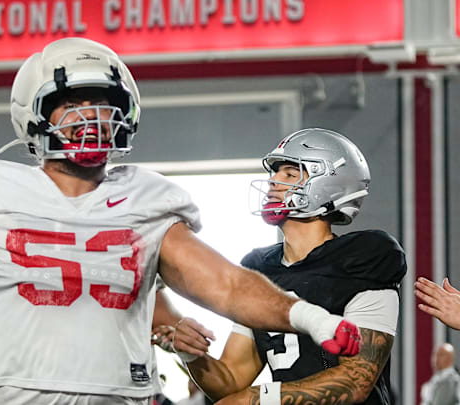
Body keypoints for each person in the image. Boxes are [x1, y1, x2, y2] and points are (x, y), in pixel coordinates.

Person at [0, 38, 361, 405]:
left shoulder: (146, 198)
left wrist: (304, 314)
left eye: (104, 107)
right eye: (73, 108)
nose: (91, 122)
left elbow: (220, 283)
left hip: (118, 391)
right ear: (33, 115)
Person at [166, 128, 406, 405]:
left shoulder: (365, 255)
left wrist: (257, 398)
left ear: (330, 185)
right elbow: (230, 381)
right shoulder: (258, 267)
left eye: (290, 174)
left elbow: (356, 381)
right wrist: (192, 355)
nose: (273, 182)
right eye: (274, 173)